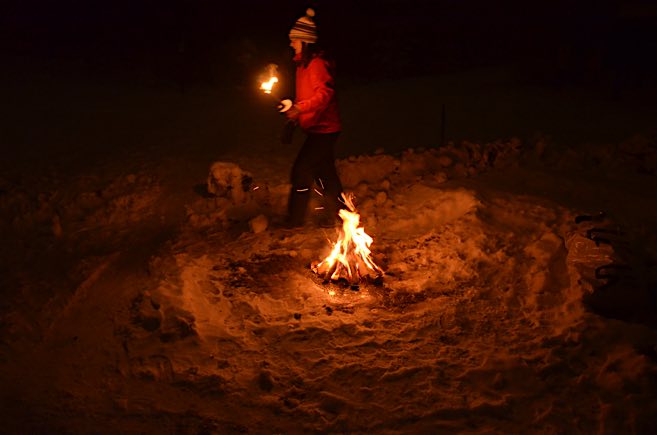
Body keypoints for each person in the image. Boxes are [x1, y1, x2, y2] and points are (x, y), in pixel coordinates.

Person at [279, 8, 344, 228]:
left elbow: (325, 94)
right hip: (316, 128)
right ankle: (343, 215)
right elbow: (306, 97)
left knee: (301, 171)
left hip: (325, 129)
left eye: (294, 40)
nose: (291, 44)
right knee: (326, 176)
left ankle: (295, 220)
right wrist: (294, 109)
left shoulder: (317, 63)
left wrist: (301, 107)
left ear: (305, 41)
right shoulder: (302, 65)